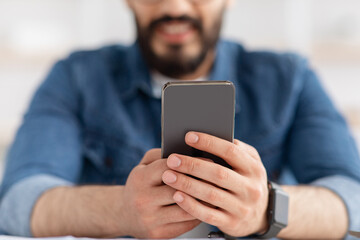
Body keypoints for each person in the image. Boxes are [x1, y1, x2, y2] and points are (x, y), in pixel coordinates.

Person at [0, 0, 359, 238]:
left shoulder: (290, 79)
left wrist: (266, 208)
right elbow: (16, 202)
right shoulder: (76, 77)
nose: (173, 6)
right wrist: (121, 210)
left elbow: (353, 199)